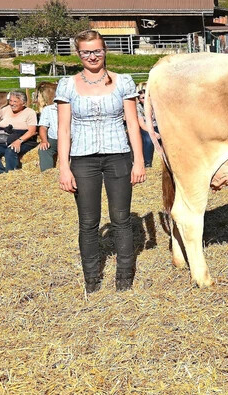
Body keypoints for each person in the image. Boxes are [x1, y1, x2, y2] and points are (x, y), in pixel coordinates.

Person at [55, 30, 146, 293]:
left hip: (118, 156)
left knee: (121, 219)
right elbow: (63, 130)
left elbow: (132, 124)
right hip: (83, 161)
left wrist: (138, 161)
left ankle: (124, 278)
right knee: (88, 222)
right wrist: (64, 167)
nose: (92, 56)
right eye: (86, 52)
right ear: (79, 54)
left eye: (97, 50)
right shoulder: (67, 85)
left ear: (105, 51)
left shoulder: (122, 82)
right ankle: (92, 280)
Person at [0, 91, 38, 173]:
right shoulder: (5, 110)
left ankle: (11, 174)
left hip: (23, 139)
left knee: (11, 151)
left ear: (23, 103)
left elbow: (32, 131)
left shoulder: (30, 113)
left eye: (15, 101)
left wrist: (19, 141)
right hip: (3, 138)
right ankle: (1, 173)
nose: (12, 104)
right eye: (10, 101)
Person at [37, 82, 59, 172]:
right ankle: (47, 174)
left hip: (73, 139)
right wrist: (44, 141)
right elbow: (43, 127)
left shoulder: (75, 107)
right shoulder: (49, 109)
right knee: (44, 150)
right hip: (55, 139)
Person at [136, 83, 160, 167]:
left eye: (146, 96)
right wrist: (153, 133)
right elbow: (142, 125)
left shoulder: (154, 105)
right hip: (146, 127)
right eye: (142, 98)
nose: (145, 99)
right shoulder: (138, 108)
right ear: (139, 100)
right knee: (149, 140)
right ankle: (147, 162)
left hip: (156, 125)